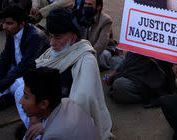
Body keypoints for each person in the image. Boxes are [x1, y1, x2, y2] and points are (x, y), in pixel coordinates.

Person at [14, 9, 112, 140]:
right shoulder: (53, 52)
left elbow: (81, 102)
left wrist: (47, 125)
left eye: (58, 37)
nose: (52, 43)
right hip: (49, 107)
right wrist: (34, 119)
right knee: (21, 91)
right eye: (51, 36)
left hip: (73, 117)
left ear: (73, 37)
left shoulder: (86, 58)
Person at [0, 6, 47, 111]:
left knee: (16, 87)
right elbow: (5, 58)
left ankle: (5, 95)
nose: (4, 26)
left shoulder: (35, 36)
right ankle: (2, 95)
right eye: (3, 22)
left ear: (21, 23)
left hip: (31, 72)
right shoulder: (11, 31)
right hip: (16, 66)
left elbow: (25, 66)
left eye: (9, 23)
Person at [19, 67, 100, 140]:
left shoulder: (53, 136)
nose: (21, 101)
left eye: (26, 97)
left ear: (43, 104)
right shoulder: (67, 102)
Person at [105, 52, 175, 105]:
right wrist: (112, 74)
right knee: (114, 60)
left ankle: (145, 96)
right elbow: (127, 59)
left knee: (119, 85)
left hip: (148, 78)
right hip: (131, 70)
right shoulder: (138, 38)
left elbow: (166, 69)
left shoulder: (162, 41)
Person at [79, 0, 118, 70]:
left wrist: (87, 55)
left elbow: (101, 43)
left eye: (89, 4)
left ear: (98, 7)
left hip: (103, 49)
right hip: (86, 48)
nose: (86, 6)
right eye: (85, 3)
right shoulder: (82, 15)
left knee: (102, 56)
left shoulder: (106, 20)